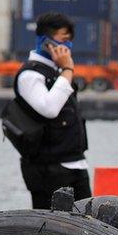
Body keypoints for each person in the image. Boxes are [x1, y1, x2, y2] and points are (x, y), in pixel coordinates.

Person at [14, 12, 90, 209]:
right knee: (51, 231)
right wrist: (67, 70)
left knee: (87, 229)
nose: (68, 46)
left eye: (70, 41)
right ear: (46, 41)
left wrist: (64, 71)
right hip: (48, 170)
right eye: (64, 40)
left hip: (76, 164)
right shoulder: (30, 75)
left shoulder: (57, 73)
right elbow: (49, 109)